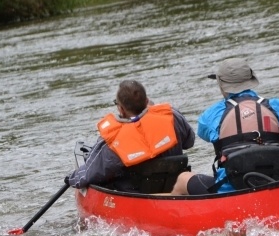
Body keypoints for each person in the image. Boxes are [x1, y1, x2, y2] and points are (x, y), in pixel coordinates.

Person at [171, 58, 279, 195]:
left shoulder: (210, 116)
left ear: (221, 85)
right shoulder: (278, 107)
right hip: (278, 184)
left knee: (182, 179)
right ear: (251, 80)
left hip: (232, 189)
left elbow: (204, 134)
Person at [67, 79, 196, 193]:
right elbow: (189, 142)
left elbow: (90, 174)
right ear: (146, 101)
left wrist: (71, 179)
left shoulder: (114, 140)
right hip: (174, 188)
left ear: (121, 109)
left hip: (137, 195)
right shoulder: (173, 117)